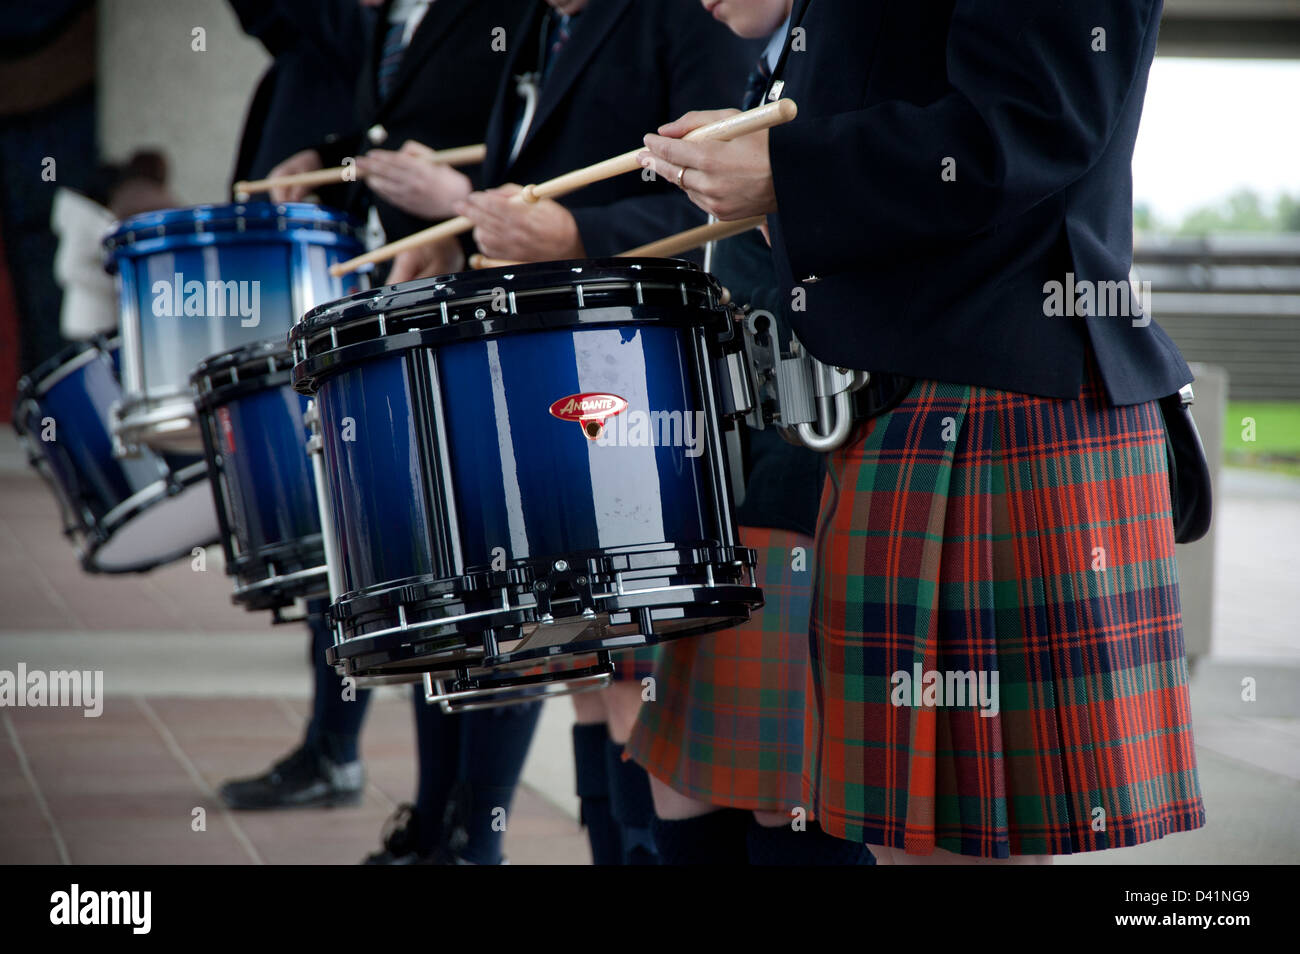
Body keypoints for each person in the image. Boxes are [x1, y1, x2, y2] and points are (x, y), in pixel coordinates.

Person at [641, 0, 1205, 863]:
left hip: (995, 407)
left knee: (961, 848)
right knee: (914, 844)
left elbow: (1033, 121)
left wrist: (791, 170)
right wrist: (776, 161)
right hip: (918, 409)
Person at [373, 0, 755, 863]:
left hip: (643, 389)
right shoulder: (538, 26)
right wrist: (463, 240)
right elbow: (522, 193)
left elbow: (729, 207)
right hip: (560, 389)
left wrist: (577, 234)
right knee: (591, 679)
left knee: (637, 694)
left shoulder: (686, 17)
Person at [624, 0, 871, 866]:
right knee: (683, 789)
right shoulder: (773, 65)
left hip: (811, 482)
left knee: (786, 799)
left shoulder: (853, 52)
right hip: (733, 487)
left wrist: (774, 189)